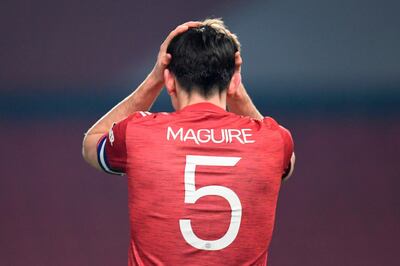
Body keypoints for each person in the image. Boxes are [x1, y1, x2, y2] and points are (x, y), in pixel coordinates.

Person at [82, 18, 295, 266]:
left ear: (170, 80)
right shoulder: (272, 140)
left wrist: (154, 78)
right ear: (233, 79)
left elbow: (92, 143)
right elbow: (286, 162)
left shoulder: (139, 133)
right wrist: (235, 86)